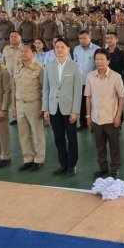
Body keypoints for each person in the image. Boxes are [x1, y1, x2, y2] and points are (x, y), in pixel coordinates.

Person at [42, 38, 83, 176]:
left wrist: (75, 111)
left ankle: (72, 165)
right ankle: (63, 164)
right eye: (57, 47)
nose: (59, 50)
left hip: (69, 109)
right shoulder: (49, 66)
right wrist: (45, 108)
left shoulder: (75, 66)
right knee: (58, 138)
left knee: (72, 138)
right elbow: (46, 89)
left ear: (68, 49)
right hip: (54, 108)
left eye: (62, 47)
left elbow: (78, 91)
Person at [85, 49, 124, 179]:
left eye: (102, 59)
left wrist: (118, 116)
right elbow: (88, 97)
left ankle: (115, 168)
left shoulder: (116, 77)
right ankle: (102, 167)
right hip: (96, 118)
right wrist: (88, 116)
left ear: (108, 61)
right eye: (97, 59)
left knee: (114, 145)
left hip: (111, 118)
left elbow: (122, 97)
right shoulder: (90, 76)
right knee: (99, 145)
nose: (99, 62)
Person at [12, 44, 46, 172]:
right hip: (20, 104)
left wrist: (43, 107)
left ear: (33, 53)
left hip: (34, 103)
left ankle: (39, 159)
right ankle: (28, 159)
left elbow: (44, 89)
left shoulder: (39, 68)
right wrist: (13, 105)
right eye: (21, 51)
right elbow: (13, 88)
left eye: (26, 51)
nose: (23, 53)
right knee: (23, 134)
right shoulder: (17, 68)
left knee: (37, 133)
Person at [72, 30, 99, 130]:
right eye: (80, 38)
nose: (82, 40)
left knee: (93, 103)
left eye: (84, 38)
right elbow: (74, 63)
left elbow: (98, 66)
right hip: (79, 81)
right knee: (82, 103)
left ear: (90, 38)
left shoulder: (96, 49)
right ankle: (83, 123)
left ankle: (94, 124)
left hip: (92, 81)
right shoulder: (76, 49)